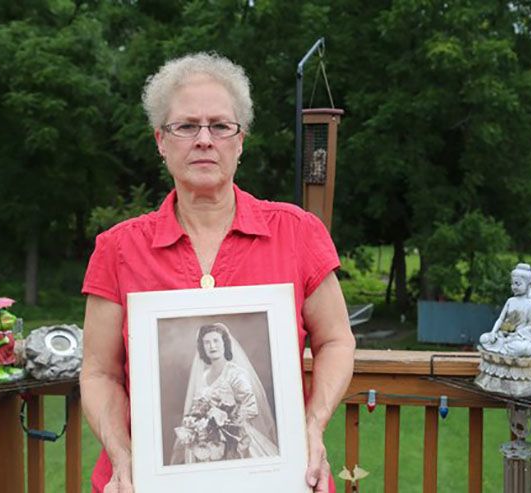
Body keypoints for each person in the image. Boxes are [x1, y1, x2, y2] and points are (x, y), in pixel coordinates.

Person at [79, 52, 355, 493]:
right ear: (160, 140)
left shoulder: (298, 232)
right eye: (186, 126)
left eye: (221, 126)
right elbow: (99, 373)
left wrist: (313, 425)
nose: (204, 140)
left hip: (276, 481)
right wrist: (121, 454)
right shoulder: (118, 249)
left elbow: (336, 341)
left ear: (240, 140)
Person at [169, 322, 278, 464]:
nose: (212, 346)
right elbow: (197, 407)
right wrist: (200, 423)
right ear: (202, 347)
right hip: (207, 441)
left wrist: (226, 422)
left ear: (224, 343)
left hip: (236, 439)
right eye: (207, 342)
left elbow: (251, 408)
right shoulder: (203, 376)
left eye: (216, 341)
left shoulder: (235, 373)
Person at [479, 263, 531, 357]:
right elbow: (501, 319)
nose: (514, 287)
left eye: (518, 284)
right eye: (512, 284)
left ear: (529, 285)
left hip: (523, 339)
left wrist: (516, 334)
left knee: (520, 347)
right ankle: (504, 348)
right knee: (484, 339)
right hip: (505, 335)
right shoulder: (510, 301)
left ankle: (504, 349)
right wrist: (493, 332)